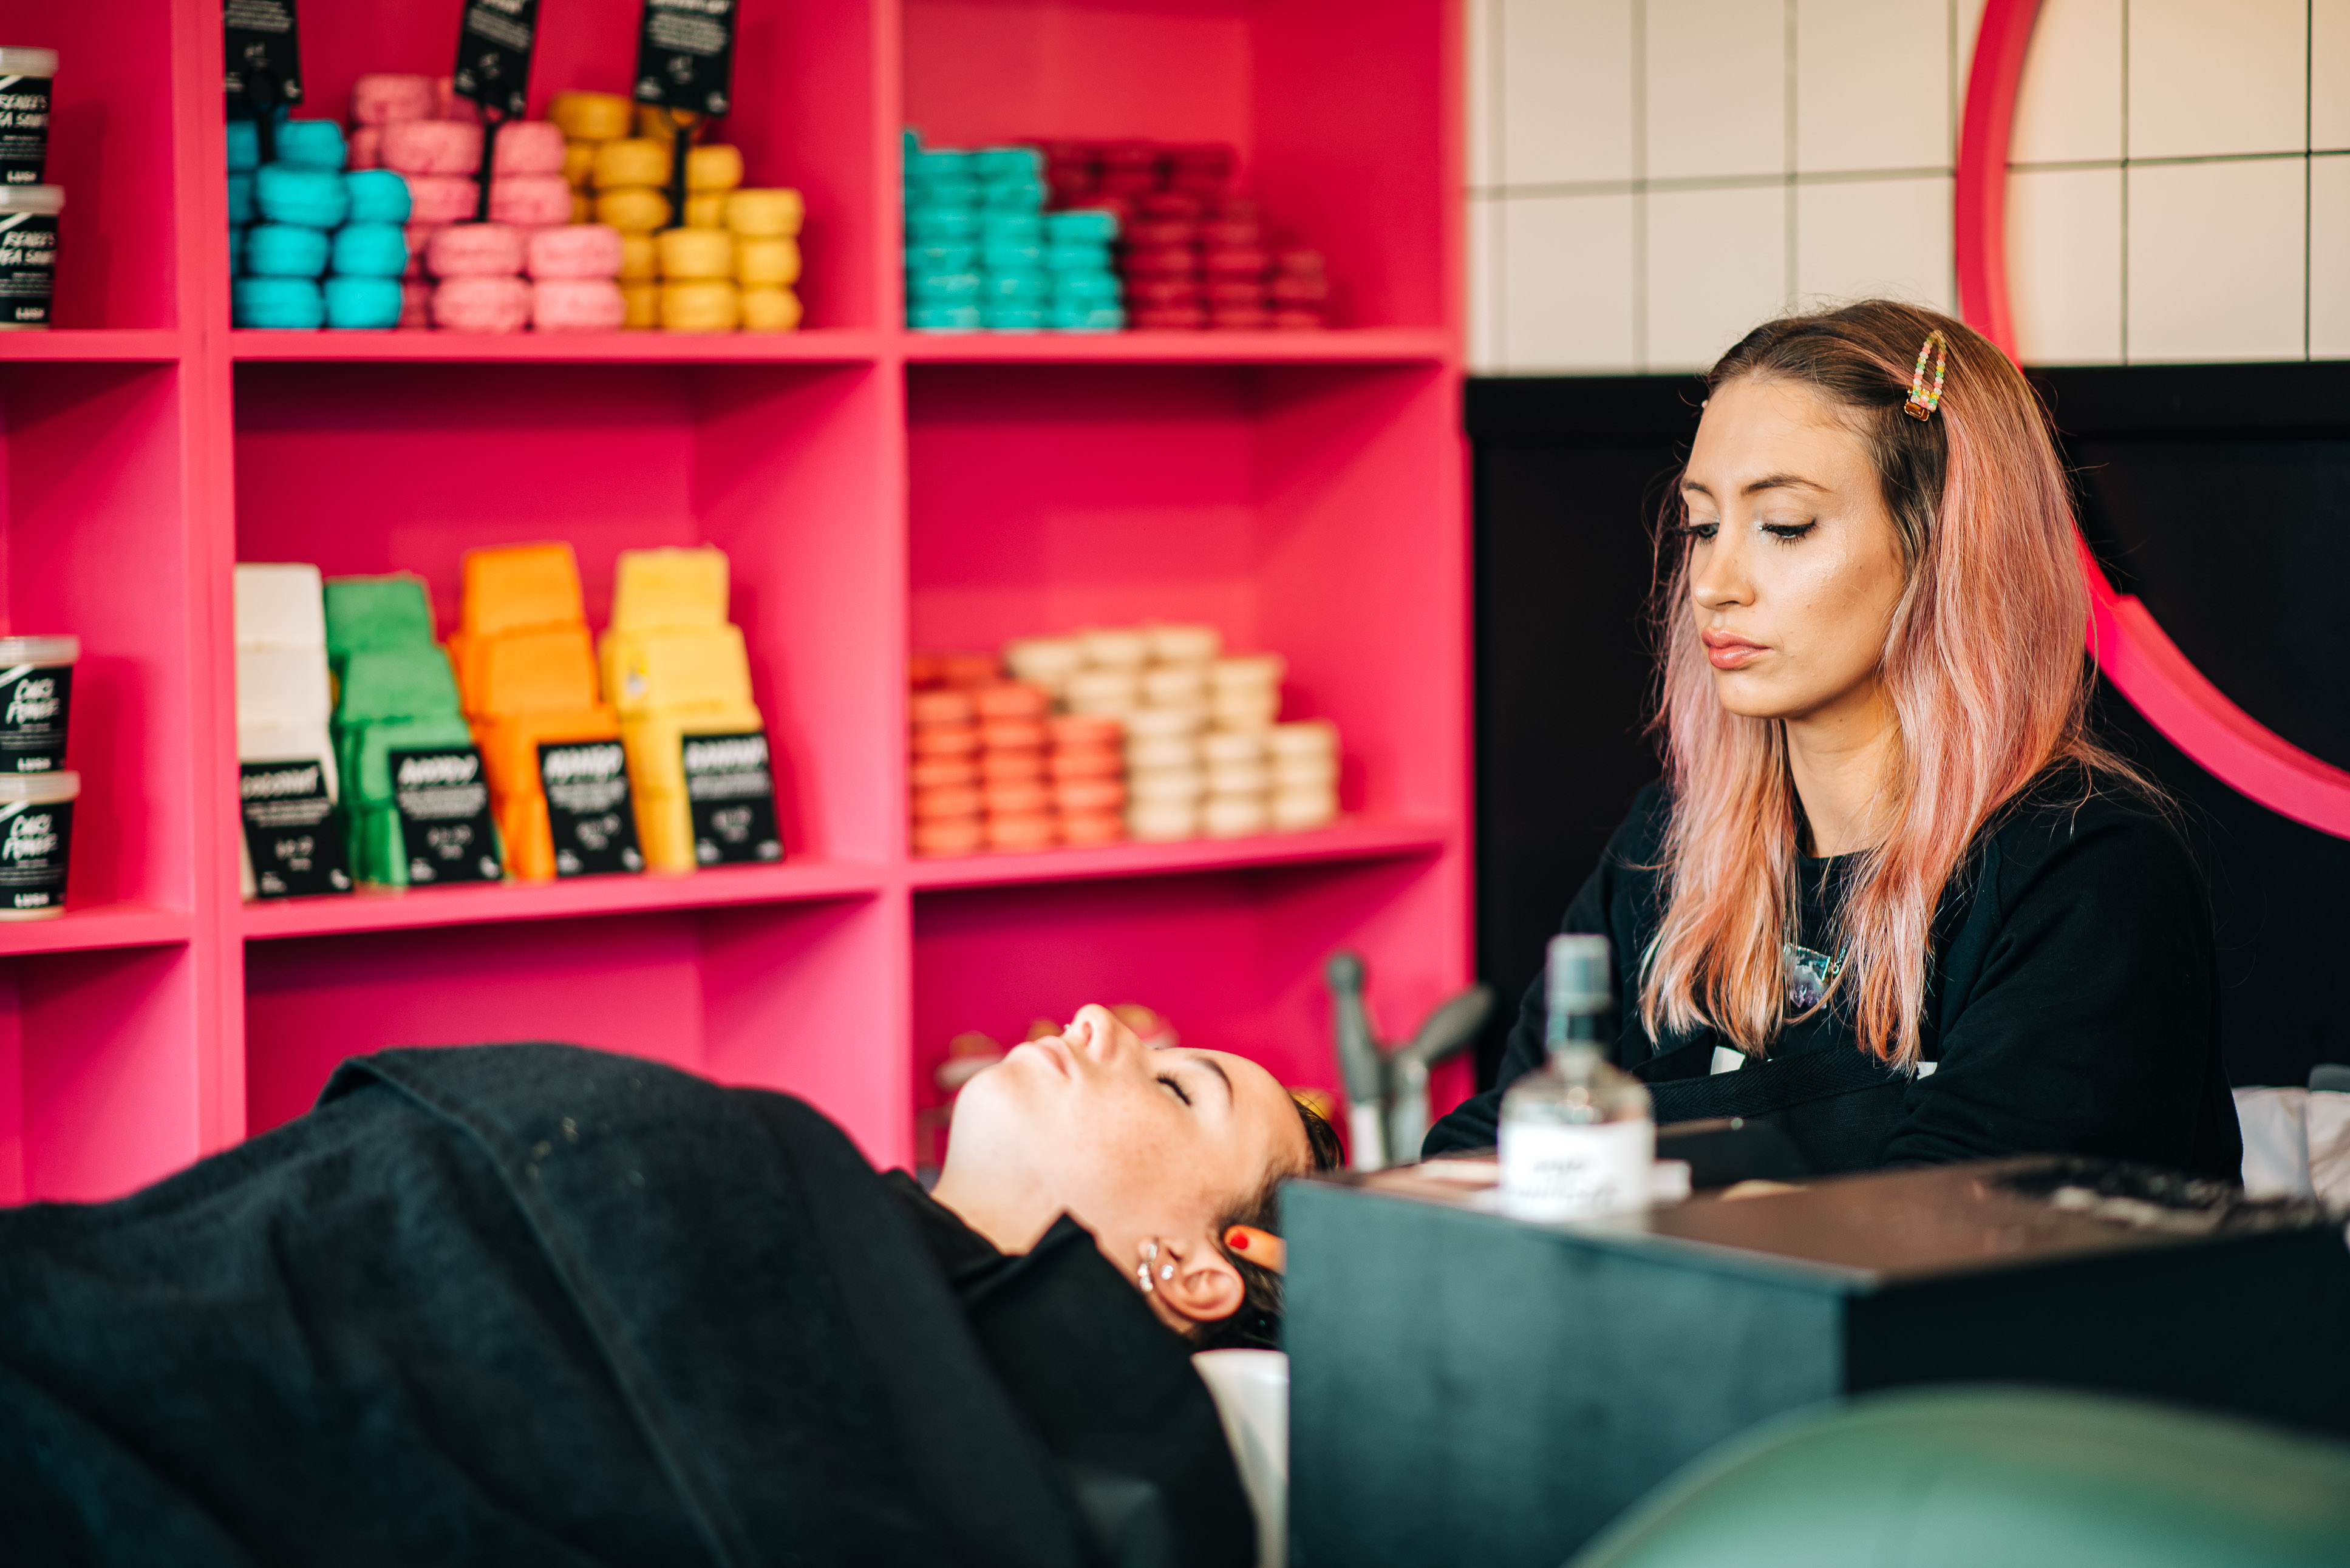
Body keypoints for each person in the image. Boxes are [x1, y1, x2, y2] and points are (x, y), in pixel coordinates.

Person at [0, 1014, 1338, 1566]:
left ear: (1194, 1272)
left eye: (1177, 1084)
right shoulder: (797, 1201)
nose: (1105, 1026)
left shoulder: (1039, 1436)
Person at [1428, 301, 2241, 1179]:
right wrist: (1847, 1119)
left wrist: (1639, 1132)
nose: (1714, 581)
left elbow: (1950, 1243)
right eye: (1702, 525)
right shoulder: (1665, 849)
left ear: (1940, 546)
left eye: (1783, 526)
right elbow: (1485, 1159)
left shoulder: (2085, 873)